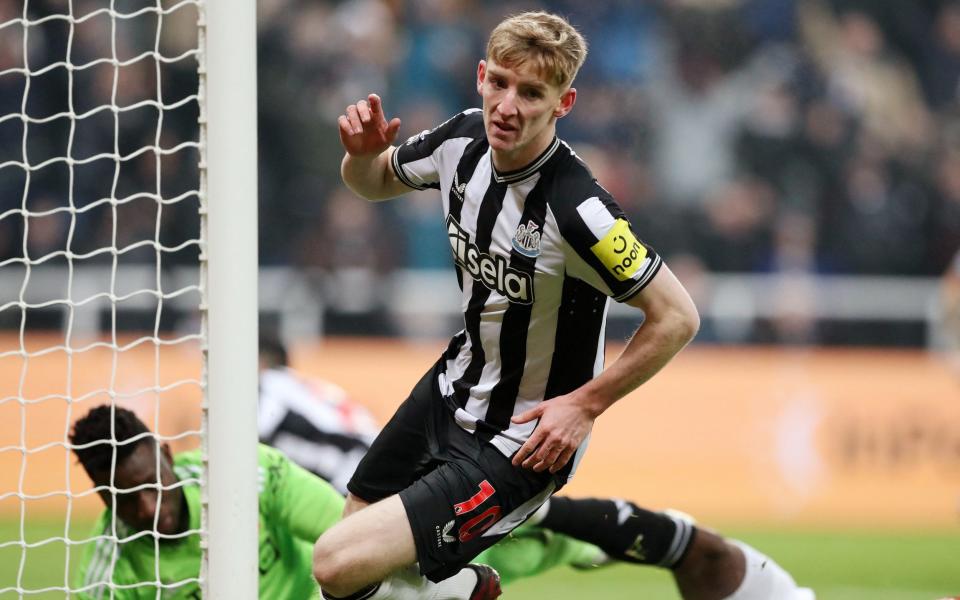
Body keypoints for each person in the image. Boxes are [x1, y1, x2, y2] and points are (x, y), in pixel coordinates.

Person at [313, 11, 704, 600]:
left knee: (335, 565)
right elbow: (374, 183)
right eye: (499, 82)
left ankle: (464, 590)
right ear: (480, 76)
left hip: (520, 442)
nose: (507, 105)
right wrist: (360, 159)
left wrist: (585, 406)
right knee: (357, 568)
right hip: (450, 388)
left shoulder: (579, 209)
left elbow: (677, 317)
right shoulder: (460, 140)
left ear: (563, 103)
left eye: (531, 93)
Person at [259, 335, 813, 599]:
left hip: (388, 512)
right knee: (559, 527)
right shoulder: (310, 390)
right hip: (430, 491)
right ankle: (699, 551)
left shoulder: (258, 396)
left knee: (340, 565)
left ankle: (449, 593)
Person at [258, 334, 378, 495]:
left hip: (350, 472)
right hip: (371, 461)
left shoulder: (272, 382)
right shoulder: (298, 384)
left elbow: (258, 429)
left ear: (262, 361)